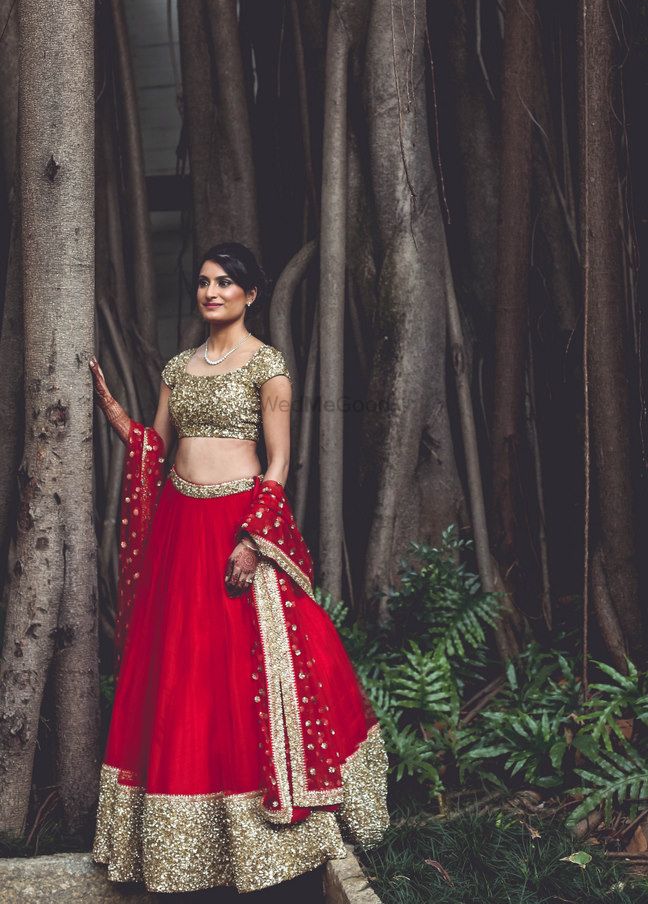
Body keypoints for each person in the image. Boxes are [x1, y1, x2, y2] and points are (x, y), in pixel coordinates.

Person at [89, 242, 389, 895]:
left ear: (250, 294)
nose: (211, 291)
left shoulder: (268, 366)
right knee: (182, 670)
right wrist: (121, 421)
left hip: (236, 528)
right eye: (202, 282)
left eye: (225, 282)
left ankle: (268, 830)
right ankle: (186, 837)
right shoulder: (178, 366)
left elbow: (278, 460)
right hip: (178, 526)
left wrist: (255, 537)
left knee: (245, 669)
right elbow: (157, 446)